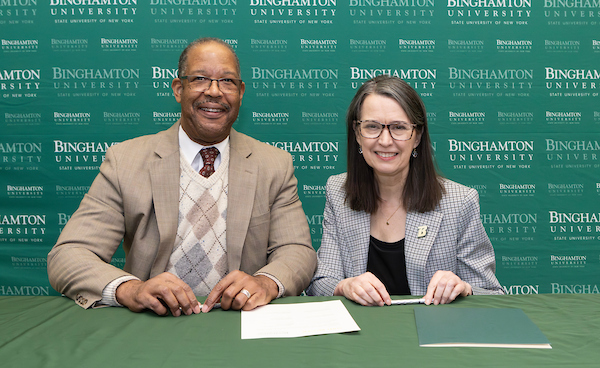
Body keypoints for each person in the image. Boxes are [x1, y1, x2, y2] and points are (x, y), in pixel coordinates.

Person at [48, 37, 316, 316]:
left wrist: (264, 283)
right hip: (154, 322)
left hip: (238, 322)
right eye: (200, 79)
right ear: (178, 89)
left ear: (241, 92)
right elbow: (69, 254)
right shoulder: (124, 161)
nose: (214, 92)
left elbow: (297, 251)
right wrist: (131, 290)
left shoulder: (274, 164)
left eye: (227, 82)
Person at [306, 75, 503, 306]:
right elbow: (319, 282)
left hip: (433, 334)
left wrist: (463, 287)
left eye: (398, 128)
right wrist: (344, 286)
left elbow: (492, 293)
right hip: (360, 336)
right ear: (357, 133)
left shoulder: (460, 201)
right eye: (372, 127)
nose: (385, 140)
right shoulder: (338, 192)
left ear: (417, 135)